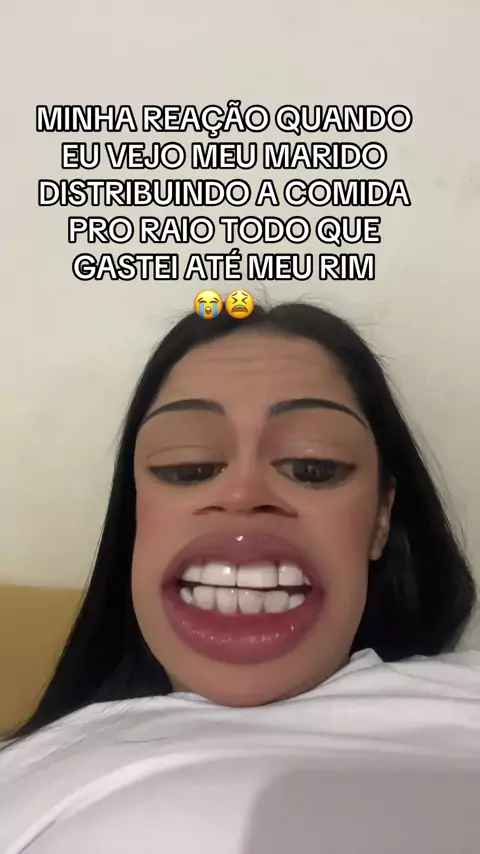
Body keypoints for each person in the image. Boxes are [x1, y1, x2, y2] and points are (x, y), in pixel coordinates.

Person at [1, 300, 479, 854]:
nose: (243, 494)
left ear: (380, 519)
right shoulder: (26, 767)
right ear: (134, 517)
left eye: (313, 466)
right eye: (187, 466)